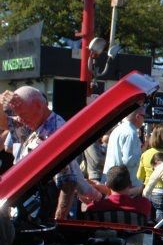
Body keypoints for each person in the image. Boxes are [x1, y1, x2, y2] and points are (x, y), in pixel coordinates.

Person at [1, 85, 99, 219]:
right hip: (30, 204)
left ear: (38, 106)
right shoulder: (34, 121)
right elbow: (6, 122)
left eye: (22, 115)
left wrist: (59, 220)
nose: (20, 120)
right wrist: (2, 104)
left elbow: (68, 181)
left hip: (46, 208)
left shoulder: (55, 132)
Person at [86, 165, 153, 223]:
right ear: (130, 184)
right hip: (132, 237)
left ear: (106, 185)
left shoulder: (94, 207)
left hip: (103, 237)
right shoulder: (144, 204)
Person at [138, 124, 163, 221]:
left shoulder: (145, 154)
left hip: (148, 192)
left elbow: (140, 176)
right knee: (161, 224)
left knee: (149, 221)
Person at [104, 107, 146, 186]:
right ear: (138, 117)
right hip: (123, 183)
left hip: (113, 178)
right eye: (144, 116)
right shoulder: (131, 133)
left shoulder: (118, 129)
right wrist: (142, 157)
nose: (144, 120)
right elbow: (129, 161)